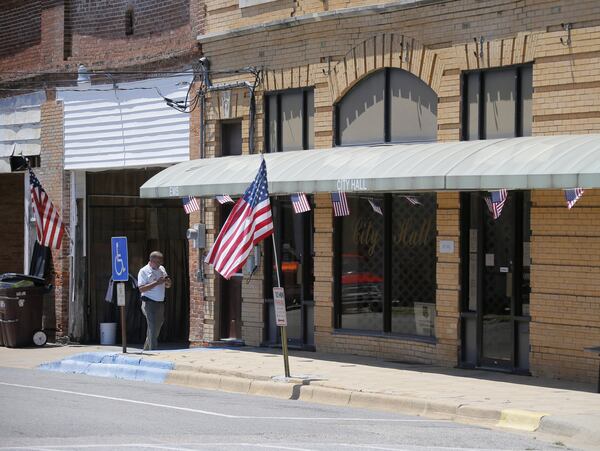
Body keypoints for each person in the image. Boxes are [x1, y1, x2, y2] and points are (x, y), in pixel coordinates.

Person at [138, 251, 171, 350]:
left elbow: (167, 285)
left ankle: (146, 349)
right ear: (151, 260)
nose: (159, 264)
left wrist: (168, 282)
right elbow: (141, 288)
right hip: (148, 303)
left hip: (160, 302)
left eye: (161, 261)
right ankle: (153, 350)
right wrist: (157, 282)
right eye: (157, 262)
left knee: (158, 324)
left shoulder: (161, 269)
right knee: (152, 325)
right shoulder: (144, 271)